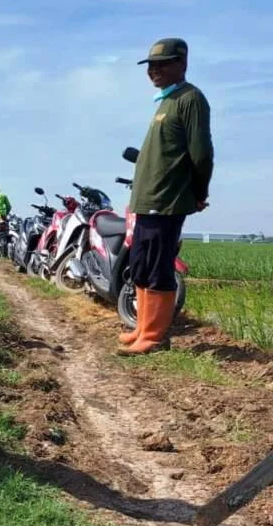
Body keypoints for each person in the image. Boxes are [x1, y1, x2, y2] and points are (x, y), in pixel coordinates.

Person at [118, 38, 213, 356]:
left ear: (182, 63)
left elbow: (201, 154)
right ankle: (142, 328)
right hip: (146, 201)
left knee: (158, 267)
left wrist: (199, 192)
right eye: (151, 66)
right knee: (142, 266)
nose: (154, 71)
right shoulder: (165, 102)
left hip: (167, 200)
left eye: (162, 64)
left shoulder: (190, 99)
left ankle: (156, 336)